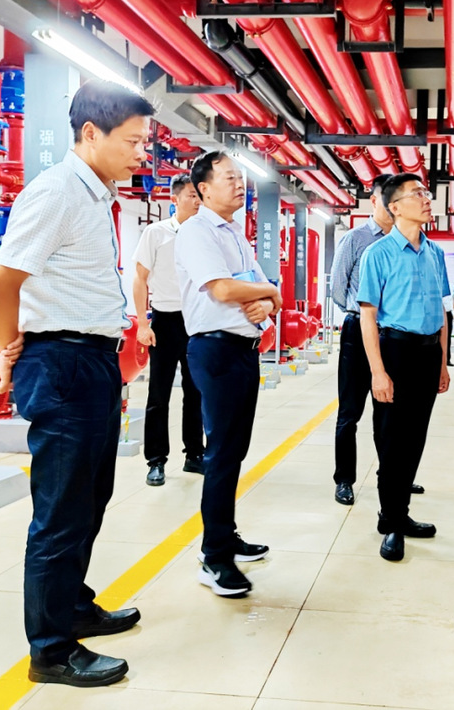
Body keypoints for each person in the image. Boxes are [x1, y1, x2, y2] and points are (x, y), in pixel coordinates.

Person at [0, 80, 156, 687]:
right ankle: (51, 650)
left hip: (93, 362)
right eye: (132, 141)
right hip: (61, 363)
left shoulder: (95, 196)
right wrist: (8, 350)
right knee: (60, 512)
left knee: (90, 498)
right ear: (90, 133)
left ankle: (73, 607)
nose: (142, 153)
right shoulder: (56, 192)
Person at [175, 150, 280, 598]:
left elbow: (265, 292)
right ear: (203, 189)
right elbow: (222, 288)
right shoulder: (196, 232)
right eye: (230, 178)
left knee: (234, 451)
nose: (240, 184)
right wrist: (268, 291)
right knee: (219, 453)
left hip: (243, 350)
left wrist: (267, 299)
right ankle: (213, 558)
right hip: (215, 350)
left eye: (241, 177)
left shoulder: (235, 233)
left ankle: (225, 533)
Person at [357, 173, 450, 562]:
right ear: (394, 207)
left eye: (426, 193)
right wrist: (378, 371)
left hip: (428, 354)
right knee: (392, 440)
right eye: (417, 194)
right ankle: (392, 522)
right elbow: (368, 316)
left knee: (415, 439)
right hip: (395, 351)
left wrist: (443, 362)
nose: (427, 199)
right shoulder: (377, 254)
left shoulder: (435, 253)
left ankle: (400, 513)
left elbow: (442, 313)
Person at [330, 174, 418, 506]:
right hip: (358, 331)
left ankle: (392, 476)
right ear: (375, 201)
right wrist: (360, 313)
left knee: (391, 413)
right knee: (350, 411)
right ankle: (344, 479)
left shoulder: (404, 241)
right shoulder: (356, 238)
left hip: (392, 336)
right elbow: (338, 289)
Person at [132, 174, 205, 486]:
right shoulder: (156, 233)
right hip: (164, 321)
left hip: (196, 321)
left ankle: (195, 455)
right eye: (191, 195)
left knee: (196, 392)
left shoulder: (205, 234)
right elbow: (139, 279)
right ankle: (156, 461)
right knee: (158, 394)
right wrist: (142, 323)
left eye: (200, 195)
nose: (197, 201)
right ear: (175, 199)